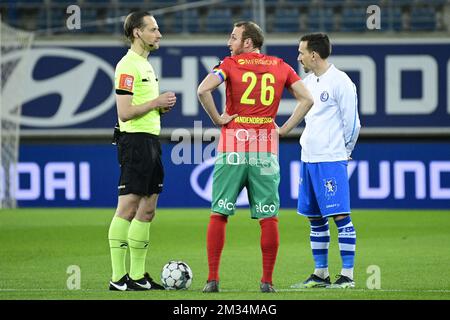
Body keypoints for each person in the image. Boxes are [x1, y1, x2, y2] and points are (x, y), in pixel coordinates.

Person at [197, 21, 314, 293]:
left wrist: (218, 119)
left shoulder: (228, 64)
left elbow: (203, 89)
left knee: (219, 213)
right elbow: (307, 99)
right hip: (265, 150)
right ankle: (267, 282)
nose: (229, 42)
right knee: (268, 217)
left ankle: (212, 280)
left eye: (234, 37)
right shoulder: (281, 66)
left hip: (233, 148)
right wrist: (283, 129)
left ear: (247, 42)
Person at [108, 11, 176, 291]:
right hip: (134, 142)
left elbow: (140, 107)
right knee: (127, 207)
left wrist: (158, 107)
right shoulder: (127, 66)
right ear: (137, 32)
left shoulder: (145, 65)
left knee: (147, 210)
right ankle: (117, 278)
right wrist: (155, 102)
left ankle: (137, 276)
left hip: (150, 141)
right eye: (153, 29)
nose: (159, 34)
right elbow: (124, 113)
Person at [291, 33, 361, 289]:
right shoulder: (306, 83)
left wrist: (344, 152)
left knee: (340, 215)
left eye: (301, 52)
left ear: (314, 54)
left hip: (331, 158)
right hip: (308, 158)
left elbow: (352, 122)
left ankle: (347, 275)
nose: (298, 57)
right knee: (315, 218)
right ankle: (321, 273)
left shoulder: (341, 81)